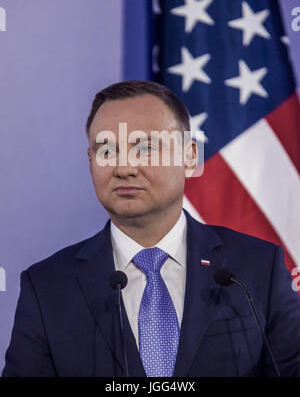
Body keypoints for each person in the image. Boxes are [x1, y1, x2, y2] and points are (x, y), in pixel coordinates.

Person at [2, 80, 300, 377]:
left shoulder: (256, 270)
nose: (124, 168)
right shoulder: (47, 287)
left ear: (189, 156)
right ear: (90, 160)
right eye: (107, 151)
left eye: (144, 148)